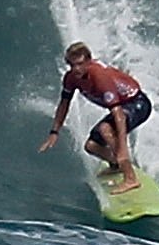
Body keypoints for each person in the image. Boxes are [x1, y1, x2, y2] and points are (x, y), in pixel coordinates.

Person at [39, 42, 152, 187]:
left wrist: (122, 148)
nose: (76, 69)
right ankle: (116, 164)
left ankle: (130, 177)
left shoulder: (99, 77)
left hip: (138, 104)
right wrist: (54, 132)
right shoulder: (71, 78)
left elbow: (118, 115)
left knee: (106, 129)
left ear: (89, 61)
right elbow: (64, 104)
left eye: (80, 64)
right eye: (72, 65)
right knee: (92, 146)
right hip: (124, 107)